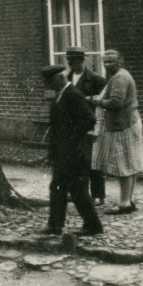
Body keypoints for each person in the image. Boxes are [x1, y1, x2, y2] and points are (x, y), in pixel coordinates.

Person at [40, 65, 103, 236]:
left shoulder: (73, 95)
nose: (48, 87)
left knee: (78, 191)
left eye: (50, 83)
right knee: (57, 188)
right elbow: (56, 129)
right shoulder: (60, 96)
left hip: (75, 153)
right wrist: (53, 153)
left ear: (59, 79)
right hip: (63, 154)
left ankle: (94, 226)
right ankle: (55, 226)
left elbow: (89, 119)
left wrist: (72, 138)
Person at [89, 50, 143, 215]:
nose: (107, 65)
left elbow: (116, 103)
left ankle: (124, 204)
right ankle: (129, 199)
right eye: (105, 62)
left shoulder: (120, 77)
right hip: (129, 122)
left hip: (123, 125)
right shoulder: (119, 75)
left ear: (120, 61)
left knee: (124, 165)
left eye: (111, 62)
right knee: (131, 164)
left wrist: (98, 101)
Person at [64, 46, 108, 205]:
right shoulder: (66, 78)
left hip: (89, 125)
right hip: (71, 126)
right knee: (75, 160)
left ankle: (98, 195)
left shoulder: (96, 79)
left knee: (93, 161)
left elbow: (102, 104)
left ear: (82, 60)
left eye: (74, 61)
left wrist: (97, 127)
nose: (71, 64)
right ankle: (79, 193)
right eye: (69, 61)